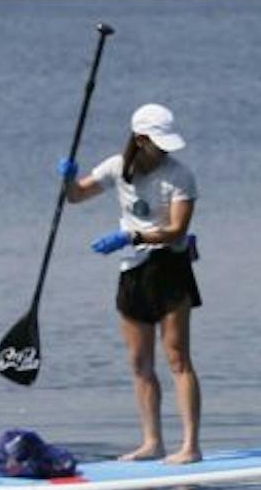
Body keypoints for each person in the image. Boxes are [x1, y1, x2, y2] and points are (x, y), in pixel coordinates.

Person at [60, 103, 203, 464]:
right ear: (140, 140)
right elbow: (76, 196)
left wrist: (131, 237)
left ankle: (190, 446)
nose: (166, 149)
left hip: (170, 266)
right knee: (140, 363)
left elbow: (176, 230)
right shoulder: (116, 168)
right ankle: (151, 442)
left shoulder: (180, 177)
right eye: (159, 143)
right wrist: (67, 180)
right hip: (132, 272)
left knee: (177, 358)